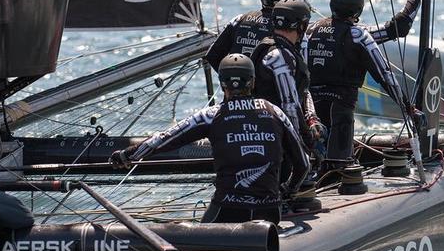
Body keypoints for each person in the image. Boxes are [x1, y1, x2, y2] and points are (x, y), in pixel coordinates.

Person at [110, 55, 309, 223]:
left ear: (222, 84)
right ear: (253, 82)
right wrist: (287, 191)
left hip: (227, 209)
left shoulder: (211, 115)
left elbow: (163, 139)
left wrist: (127, 155)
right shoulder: (274, 111)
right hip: (270, 210)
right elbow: (303, 164)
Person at [303, 0, 416, 174]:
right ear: (359, 9)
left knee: (315, 159)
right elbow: (385, 75)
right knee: (339, 165)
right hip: (341, 110)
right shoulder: (360, 35)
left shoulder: (309, 31)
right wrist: (408, 107)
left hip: (311, 108)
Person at [251, 0, 324, 148]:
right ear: (302, 26)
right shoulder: (281, 57)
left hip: (264, 130)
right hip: (275, 137)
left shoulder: (273, 48)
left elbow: (302, 92)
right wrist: (305, 144)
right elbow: (290, 106)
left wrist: (312, 119)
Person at [205, 0, 295, 70]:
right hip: (268, 84)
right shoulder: (287, 27)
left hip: (239, 83)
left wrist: (229, 77)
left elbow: (212, 55)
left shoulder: (239, 19)